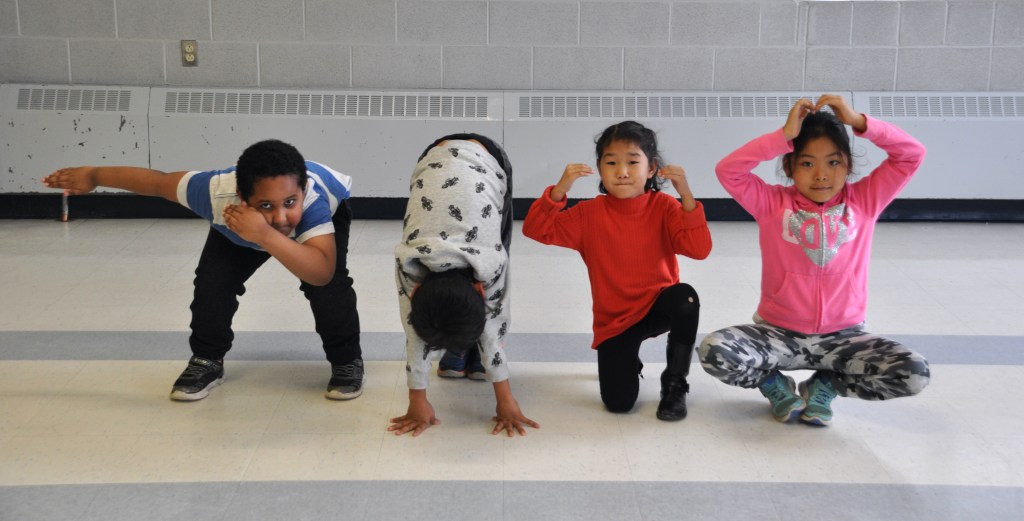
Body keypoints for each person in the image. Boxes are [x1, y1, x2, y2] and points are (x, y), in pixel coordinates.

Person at [42, 139, 364, 402]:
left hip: (308, 227)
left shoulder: (313, 203)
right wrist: (94, 175)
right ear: (242, 198)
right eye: (266, 205)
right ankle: (207, 359)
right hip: (238, 229)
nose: (281, 217)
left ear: (302, 192)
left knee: (328, 289)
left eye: (289, 202)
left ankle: (347, 360)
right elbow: (157, 182)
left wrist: (265, 233)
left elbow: (320, 272)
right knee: (213, 283)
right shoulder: (213, 192)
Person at [698, 95, 931, 426]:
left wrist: (859, 122)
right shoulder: (771, 203)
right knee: (713, 351)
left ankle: (826, 385)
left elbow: (911, 154)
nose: (821, 175)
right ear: (790, 167)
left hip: (843, 338)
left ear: (848, 166)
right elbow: (728, 171)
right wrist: (783, 136)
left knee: (914, 373)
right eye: (807, 163)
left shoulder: (865, 200)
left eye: (833, 162)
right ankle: (775, 385)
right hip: (779, 335)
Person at [522, 121, 712, 421]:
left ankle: (675, 384)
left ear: (651, 168)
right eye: (611, 163)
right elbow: (535, 229)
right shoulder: (588, 214)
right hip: (616, 322)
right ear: (600, 168)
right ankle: (627, 360)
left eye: (633, 162)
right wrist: (560, 189)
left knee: (685, 298)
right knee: (619, 404)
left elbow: (699, 249)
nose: (622, 171)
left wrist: (686, 196)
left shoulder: (664, 207)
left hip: (657, 307)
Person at [389, 133, 539, 437]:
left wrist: (506, 401)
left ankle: (467, 348)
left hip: (488, 159)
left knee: (500, 240)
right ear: (416, 291)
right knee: (447, 316)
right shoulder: (409, 261)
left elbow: (494, 324)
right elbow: (414, 331)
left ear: (480, 289)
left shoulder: (491, 263)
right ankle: (461, 347)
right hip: (432, 162)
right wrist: (416, 400)